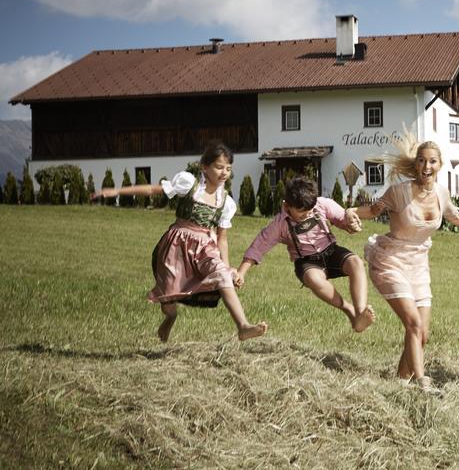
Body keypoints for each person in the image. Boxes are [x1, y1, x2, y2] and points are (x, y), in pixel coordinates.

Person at [92, 140, 268, 342]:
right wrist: (115, 192)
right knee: (169, 294)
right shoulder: (189, 184)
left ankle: (243, 326)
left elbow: (222, 239)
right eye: (219, 167)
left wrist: (228, 268)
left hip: (206, 248)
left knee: (222, 275)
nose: (224, 173)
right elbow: (152, 190)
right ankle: (170, 317)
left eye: (228, 168)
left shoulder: (226, 201)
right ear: (204, 167)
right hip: (176, 245)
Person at [355, 132, 459, 391]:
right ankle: (422, 382)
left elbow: (457, 218)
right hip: (391, 260)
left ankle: (400, 384)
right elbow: (372, 211)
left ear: (439, 165)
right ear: (415, 164)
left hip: (418, 265)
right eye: (421, 161)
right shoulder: (399, 192)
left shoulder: (441, 193)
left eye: (432, 162)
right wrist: (345, 212)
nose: (426, 167)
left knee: (422, 334)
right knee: (413, 324)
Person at [235, 176, 375, 333]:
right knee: (313, 278)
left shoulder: (322, 204)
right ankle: (349, 310)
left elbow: (342, 217)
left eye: (310, 212)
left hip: (330, 251)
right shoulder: (280, 224)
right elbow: (259, 246)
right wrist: (241, 272)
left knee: (356, 262)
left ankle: (360, 313)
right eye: (302, 214)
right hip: (307, 262)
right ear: (287, 206)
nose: (307, 215)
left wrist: (350, 222)